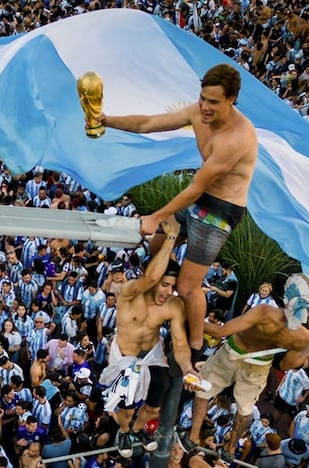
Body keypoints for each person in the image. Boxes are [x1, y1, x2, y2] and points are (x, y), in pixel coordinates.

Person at [97, 63, 259, 358]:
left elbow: (196, 186)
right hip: (200, 199)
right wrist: (108, 121)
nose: (205, 107)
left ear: (231, 99)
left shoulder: (237, 137)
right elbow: (149, 123)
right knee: (156, 245)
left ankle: (196, 345)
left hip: (221, 210)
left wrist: (157, 216)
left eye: (213, 102)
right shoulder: (197, 112)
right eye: (202, 99)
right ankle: (159, 296)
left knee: (187, 287)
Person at [189, 272, 309, 449]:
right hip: (258, 367)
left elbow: (219, 332)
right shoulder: (303, 336)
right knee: (245, 410)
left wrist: (191, 315)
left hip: (231, 354)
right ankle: (231, 448)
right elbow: (285, 365)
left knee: (203, 392)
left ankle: (192, 437)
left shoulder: (264, 312)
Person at [98, 216, 198, 454]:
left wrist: (188, 369)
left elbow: (181, 344)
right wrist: (171, 238)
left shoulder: (173, 306)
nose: (168, 291)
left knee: (154, 406)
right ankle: (124, 432)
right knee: (127, 407)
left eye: (172, 287)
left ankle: (139, 429)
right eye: (165, 285)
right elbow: (151, 277)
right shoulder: (130, 292)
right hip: (125, 356)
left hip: (151, 355)